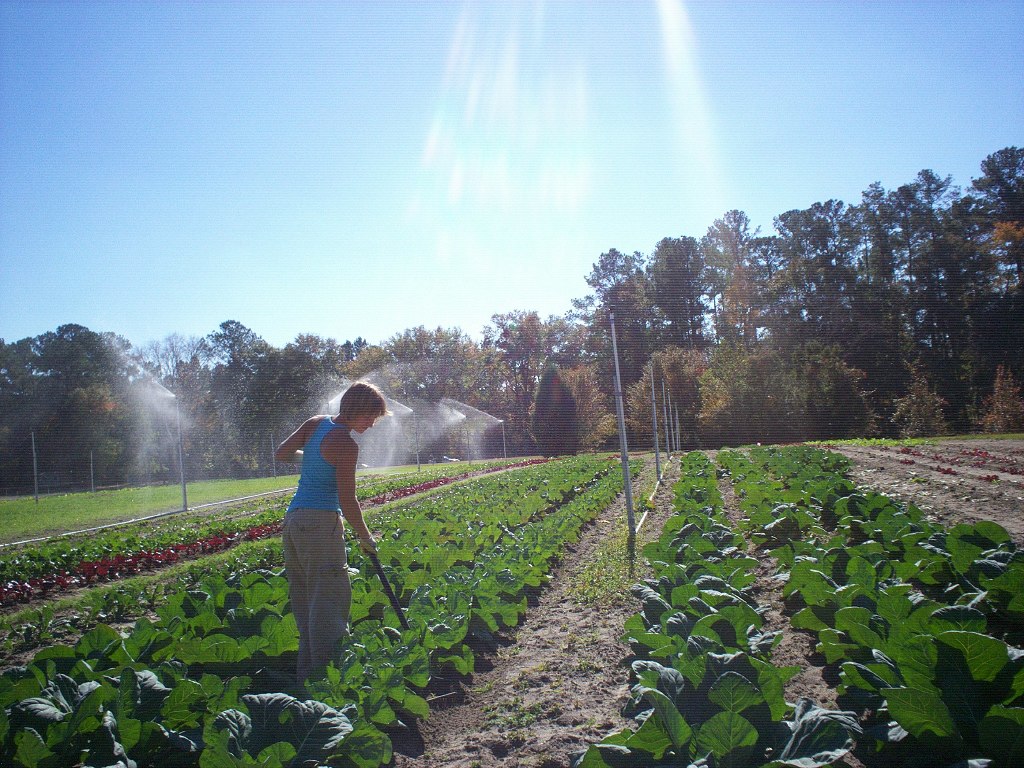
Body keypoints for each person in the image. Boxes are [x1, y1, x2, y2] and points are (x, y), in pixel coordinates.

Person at [274, 382, 388, 687]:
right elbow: (348, 500)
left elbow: (282, 453)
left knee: (305, 600)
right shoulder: (346, 445)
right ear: (358, 409)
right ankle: (329, 681)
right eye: (370, 416)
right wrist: (366, 537)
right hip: (321, 524)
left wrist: (312, 457)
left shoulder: (315, 424)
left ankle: (307, 678)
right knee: (329, 601)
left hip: (294, 523)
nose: (372, 423)